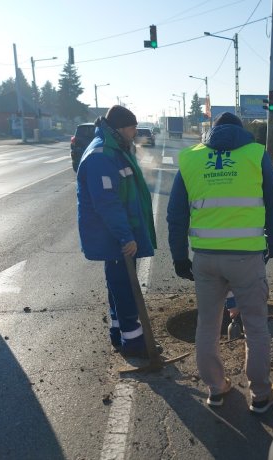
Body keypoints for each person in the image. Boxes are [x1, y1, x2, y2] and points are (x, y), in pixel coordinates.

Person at [167, 112, 273, 413]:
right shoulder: (256, 154)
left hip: (205, 258)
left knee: (207, 325)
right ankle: (259, 394)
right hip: (246, 256)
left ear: (212, 132)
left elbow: (176, 214)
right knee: (256, 326)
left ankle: (216, 389)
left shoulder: (191, 159)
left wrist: (179, 255)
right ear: (240, 132)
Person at [76, 105, 158, 357]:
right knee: (124, 288)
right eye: (132, 128)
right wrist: (126, 236)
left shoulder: (115, 148)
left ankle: (118, 333)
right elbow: (107, 202)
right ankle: (134, 343)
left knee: (117, 284)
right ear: (120, 128)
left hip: (115, 234)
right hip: (113, 236)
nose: (135, 132)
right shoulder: (102, 155)